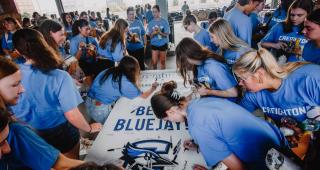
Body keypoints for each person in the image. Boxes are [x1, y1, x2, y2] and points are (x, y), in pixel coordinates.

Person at [150, 81, 287, 170]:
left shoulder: (197, 125)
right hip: (277, 142)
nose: (171, 122)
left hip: (268, 163)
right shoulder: (201, 102)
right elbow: (221, 130)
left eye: (168, 120)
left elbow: (239, 168)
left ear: (170, 111)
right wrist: (201, 145)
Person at [10, 28, 102, 159]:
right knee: (69, 165)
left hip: (28, 134)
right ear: (44, 43)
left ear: (18, 51)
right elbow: (72, 114)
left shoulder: (11, 76)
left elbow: (11, 112)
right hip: (60, 132)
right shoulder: (59, 76)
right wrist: (89, 128)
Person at [233, 48, 320, 158]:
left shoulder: (310, 79)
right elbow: (235, 118)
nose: (240, 83)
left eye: (243, 79)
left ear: (259, 74)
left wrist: (308, 130)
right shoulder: (253, 95)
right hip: (297, 144)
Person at [0, 57, 84, 169]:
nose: (22, 90)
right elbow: (62, 164)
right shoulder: (16, 132)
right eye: (15, 85)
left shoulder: (12, 127)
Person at [85, 56, 158, 124]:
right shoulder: (125, 82)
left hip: (89, 102)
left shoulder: (109, 71)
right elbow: (144, 96)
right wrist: (153, 87)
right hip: (99, 109)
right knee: (110, 127)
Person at [71, 19, 99, 84]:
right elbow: (74, 60)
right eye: (86, 29)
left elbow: (97, 54)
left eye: (89, 29)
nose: (89, 31)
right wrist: (80, 49)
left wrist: (94, 50)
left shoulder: (91, 39)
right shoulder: (74, 41)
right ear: (79, 29)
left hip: (93, 64)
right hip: (82, 66)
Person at [146, 5, 170, 69]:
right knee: (154, 63)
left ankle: (163, 76)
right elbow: (149, 37)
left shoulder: (164, 22)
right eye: (153, 12)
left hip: (163, 44)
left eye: (156, 12)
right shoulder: (150, 23)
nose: (154, 13)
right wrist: (153, 33)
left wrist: (160, 32)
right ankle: (155, 77)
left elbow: (167, 34)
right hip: (154, 45)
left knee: (162, 62)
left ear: (159, 12)